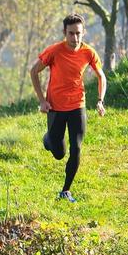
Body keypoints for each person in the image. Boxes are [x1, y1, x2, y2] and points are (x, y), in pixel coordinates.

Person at [30, 14, 106, 202]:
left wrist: (99, 100)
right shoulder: (54, 51)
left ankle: (65, 191)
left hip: (77, 106)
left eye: (78, 34)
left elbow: (101, 77)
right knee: (59, 153)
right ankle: (48, 139)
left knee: (76, 148)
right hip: (55, 106)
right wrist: (42, 101)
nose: (75, 38)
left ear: (83, 32)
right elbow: (34, 71)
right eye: (71, 34)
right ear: (65, 33)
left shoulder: (88, 52)